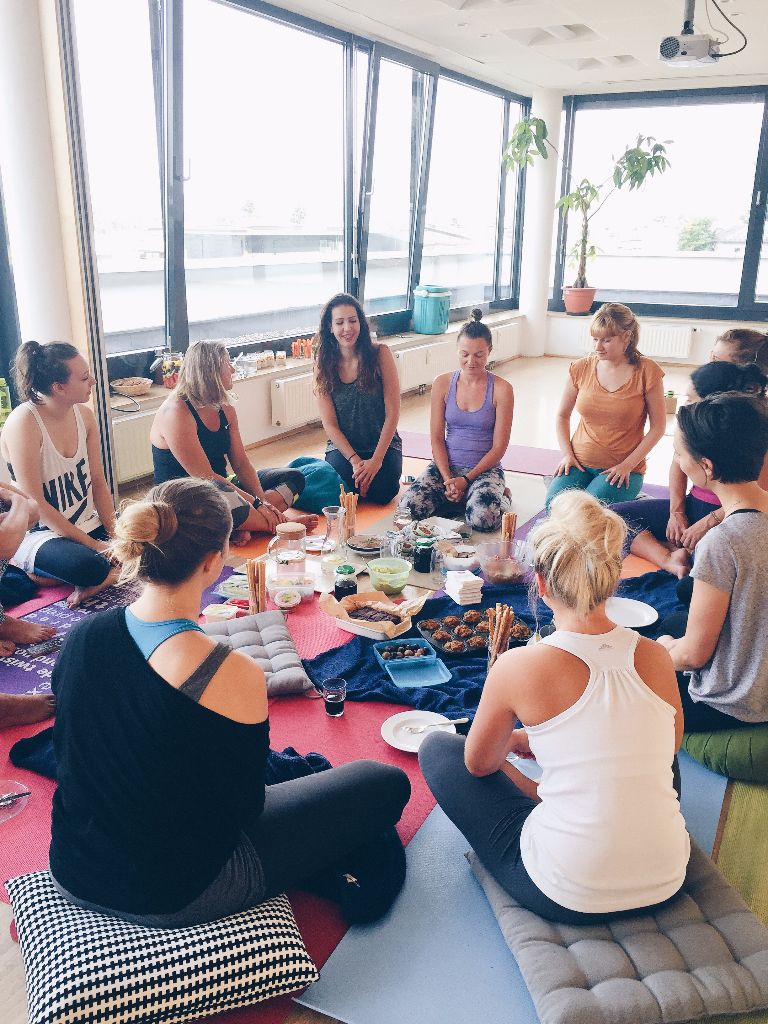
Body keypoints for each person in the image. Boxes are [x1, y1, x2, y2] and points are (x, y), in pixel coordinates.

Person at [49, 477, 411, 926]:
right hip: (176, 892)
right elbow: (244, 810)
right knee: (383, 783)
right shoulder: (228, 673)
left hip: (72, 866)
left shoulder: (83, 637)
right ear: (213, 560)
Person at [420, 490, 688, 925]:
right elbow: (668, 748)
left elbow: (480, 765)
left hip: (568, 892)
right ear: (614, 576)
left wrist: (512, 745)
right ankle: (557, 799)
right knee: (652, 747)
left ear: (540, 583)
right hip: (667, 878)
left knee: (441, 748)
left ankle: (550, 804)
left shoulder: (517, 665)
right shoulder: (656, 656)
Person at [656, 393, 768, 731]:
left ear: (707, 466)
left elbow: (693, 656)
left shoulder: (724, 541)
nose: (677, 460)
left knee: (647, 653)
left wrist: (659, 653)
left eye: (679, 453)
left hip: (734, 704)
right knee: (678, 620)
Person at [612, 360, 768, 577]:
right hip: (695, 506)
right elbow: (677, 464)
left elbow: (756, 496)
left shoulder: (753, 433)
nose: (686, 404)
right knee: (613, 518)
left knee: (709, 562)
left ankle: (685, 554)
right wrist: (677, 512)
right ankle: (669, 558)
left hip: (729, 516)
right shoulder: (691, 426)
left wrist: (708, 522)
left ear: (714, 402)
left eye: (691, 398)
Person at [151, 340, 316, 536]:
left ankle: (244, 524)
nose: (232, 369)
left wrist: (261, 503)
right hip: (186, 498)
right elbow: (205, 477)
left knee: (294, 478)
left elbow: (241, 463)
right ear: (209, 372)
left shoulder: (224, 406)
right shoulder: (176, 413)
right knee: (221, 499)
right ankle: (279, 526)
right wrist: (255, 503)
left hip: (222, 486)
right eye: (227, 364)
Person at [1, 341, 119, 608]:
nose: (93, 381)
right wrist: (96, 546)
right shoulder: (24, 423)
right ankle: (95, 573)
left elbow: (99, 483)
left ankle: (59, 575)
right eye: (84, 377)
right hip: (41, 533)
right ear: (59, 387)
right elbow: (37, 505)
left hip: (86, 522)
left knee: (151, 534)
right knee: (88, 566)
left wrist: (116, 537)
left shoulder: (85, 416)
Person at [397, 309, 514, 531]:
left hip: (483, 471)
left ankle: (503, 498)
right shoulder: (442, 384)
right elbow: (436, 439)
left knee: (483, 520)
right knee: (407, 510)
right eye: (465, 354)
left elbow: (499, 448)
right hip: (446, 468)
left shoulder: (502, 389)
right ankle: (457, 497)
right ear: (457, 351)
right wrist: (448, 478)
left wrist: (467, 480)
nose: (471, 361)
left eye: (479, 355)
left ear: (489, 351)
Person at [546, 302, 666, 507]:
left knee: (588, 513)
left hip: (622, 469)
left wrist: (628, 465)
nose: (597, 347)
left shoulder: (647, 371)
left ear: (627, 336)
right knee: (555, 507)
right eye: (595, 339)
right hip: (578, 463)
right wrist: (567, 455)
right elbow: (562, 416)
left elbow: (658, 427)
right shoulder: (581, 367)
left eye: (606, 340)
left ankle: (628, 497)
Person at [314, 293, 402, 503]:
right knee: (343, 492)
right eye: (340, 322)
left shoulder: (381, 353)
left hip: (382, 445)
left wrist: (377, 460)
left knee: (384, 491)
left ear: (361, 323)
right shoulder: (323, 363)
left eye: (353, 321)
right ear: (330, 327)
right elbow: (330, 424)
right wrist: (355, 461)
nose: (347, 328)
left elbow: (393, 413)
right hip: (344, 449)